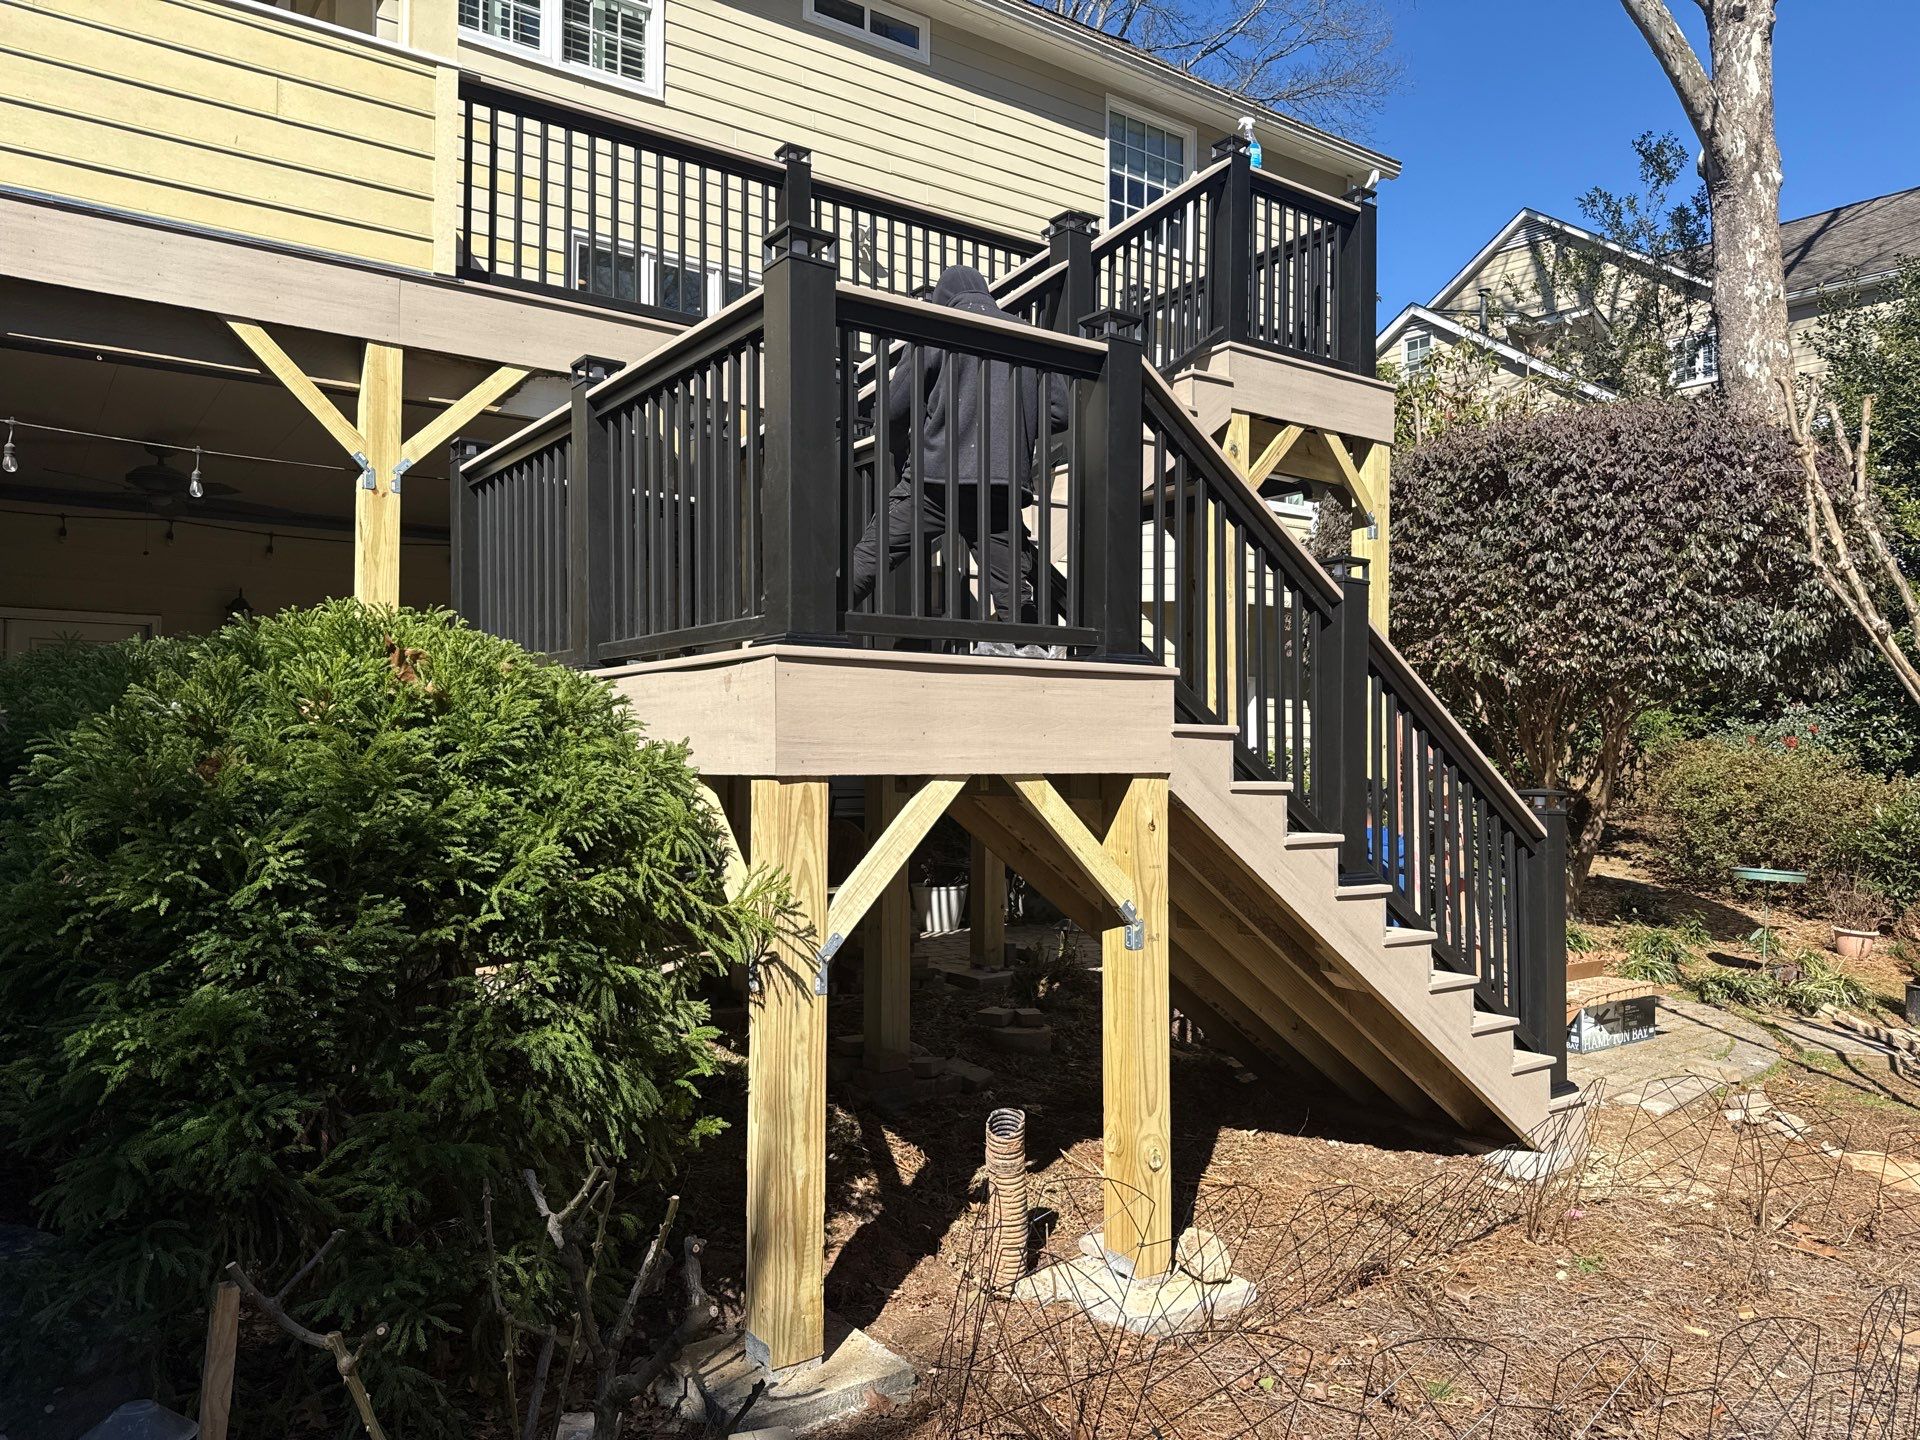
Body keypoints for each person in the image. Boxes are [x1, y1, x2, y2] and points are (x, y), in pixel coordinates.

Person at [847, 265, 1070, 650]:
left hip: (934, 478)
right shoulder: (1026, 335)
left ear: (942, 299)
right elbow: (1060, 412)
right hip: (998, 485)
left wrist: (906, 454)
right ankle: (1030, 654)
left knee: (873, 556)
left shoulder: (937, 328)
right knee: (1013, 590)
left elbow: (893, 411)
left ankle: (810, 625)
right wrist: (1017, 426)